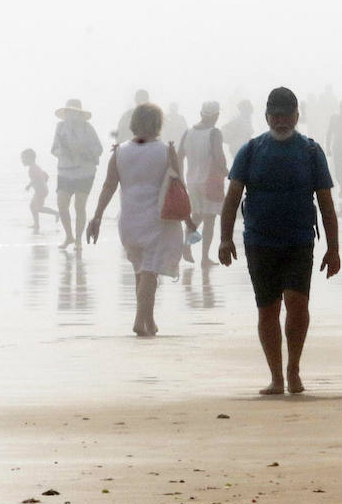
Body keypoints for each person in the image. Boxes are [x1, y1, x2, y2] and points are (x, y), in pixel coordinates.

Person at [218, 87, 339, 395]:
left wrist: (334, 248)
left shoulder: (311, 151)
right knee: (268, 309)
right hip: (259, 241)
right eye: (276, 115)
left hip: (299, 240)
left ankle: (293, 367)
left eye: (288, 115)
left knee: (297, 305)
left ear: (297, 117)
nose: (282, 121)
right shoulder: (251, 150)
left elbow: (326, 203)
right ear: (267, 117)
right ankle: (276, 376)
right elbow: (232, 197)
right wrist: (224, 239)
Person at [86, 103, 194, 336]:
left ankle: (149, 321)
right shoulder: (166, 150)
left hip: (128, 220)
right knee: (149, 271)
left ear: (133, 123)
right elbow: (178, 186)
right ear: (158, 124)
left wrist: (96, 217)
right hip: (157, 219)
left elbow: (108, 186)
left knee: (142, 271)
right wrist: (188, 220)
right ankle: (139, 320)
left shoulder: (120, 151)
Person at [178, 101, 226, 266]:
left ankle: (186, 245)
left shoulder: (188, 132)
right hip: (210, 181)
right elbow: (219, 156)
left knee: (197, 215)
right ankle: (205, 257)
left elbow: (179, 156)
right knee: (210, 219)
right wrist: (228, 172)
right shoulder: (214, 133)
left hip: (192, 181)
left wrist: (181, 178)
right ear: (215, 115)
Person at [52, 99, 104, 251]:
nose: (71, 115)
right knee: (62, 204)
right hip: (65, 170)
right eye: (68, 112)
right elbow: (54, 148)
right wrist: (63, 152)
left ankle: (79, 239)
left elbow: (99, 149)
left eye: (74, 112)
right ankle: (69, 236)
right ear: (65, 113)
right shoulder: (60, 127)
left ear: (79, 113)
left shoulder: (88, 129)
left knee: (79, 205)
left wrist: (84, 153)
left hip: (85, 172)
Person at [20, 149, 58, 232]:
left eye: (23, 158)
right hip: (40, 191)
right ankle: (36, 224)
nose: (22, 160)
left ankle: (55, 213)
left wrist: (29, 185)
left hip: (41, 191)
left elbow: (36, 178)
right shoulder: (35, 167)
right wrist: (42, 183)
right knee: (33, 206)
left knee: (38, 208)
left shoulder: (33, 168)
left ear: (30, 159)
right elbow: (45, 175)